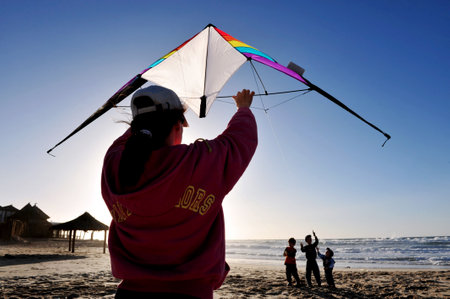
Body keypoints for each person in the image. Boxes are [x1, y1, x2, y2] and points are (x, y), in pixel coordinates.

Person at [101, 85, 258, 299]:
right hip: (190, 294)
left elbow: (127, 141)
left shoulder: (114, 164)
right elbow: (239, 140)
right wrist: (243, 108)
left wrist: (143, 122)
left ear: (135, 128)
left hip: (130, 293)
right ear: (177, 125)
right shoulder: (199, 160)